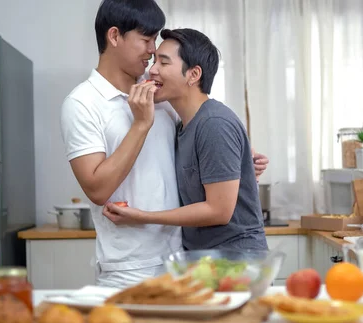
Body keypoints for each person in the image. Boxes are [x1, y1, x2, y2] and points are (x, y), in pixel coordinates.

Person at [60, 0, 269, 288]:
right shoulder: (82, 103)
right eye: (146, 40)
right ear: (114, 36)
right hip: (129, 266)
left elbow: (202, 135)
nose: (152, 53)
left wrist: (237, 161)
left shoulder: (161, 95)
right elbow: (97, 189)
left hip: (184, 261)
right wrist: (141, 124)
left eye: (158, 48)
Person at [102, 28, 269, 252]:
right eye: (154, 61)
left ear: (193, 74)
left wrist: (142, 216)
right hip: (205, 258)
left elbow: (219, 210)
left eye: (163, 63)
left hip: (236, 259)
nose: (152, 70)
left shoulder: (214, 123)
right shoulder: (182, 125)